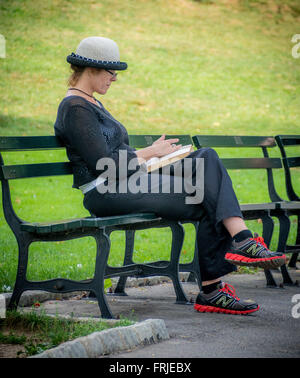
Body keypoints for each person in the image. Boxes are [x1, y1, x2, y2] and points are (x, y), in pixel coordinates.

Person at [54, 36, 286, 315]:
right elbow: (105, 166)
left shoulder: (91, 103)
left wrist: (155, 154)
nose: (115, 79)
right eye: (111, 72)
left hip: (126, 181)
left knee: (207, 158)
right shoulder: (75, 108)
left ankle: (240, 244)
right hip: (106, 192)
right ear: (91, 69)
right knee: (208, 197)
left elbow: (114, 156)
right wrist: (149, 153)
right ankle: (219, 280)